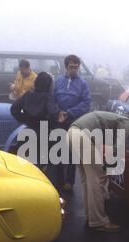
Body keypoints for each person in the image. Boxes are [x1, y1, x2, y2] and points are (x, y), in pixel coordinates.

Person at [67, 111, 129, 232]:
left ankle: (91, 216)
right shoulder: (128, 124)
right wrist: (108, 170)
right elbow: (117, 149)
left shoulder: (117, 120)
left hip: (72, 133)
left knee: (87, 180)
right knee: (97, 180)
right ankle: (99, 222)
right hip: (82, 136)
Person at [50, 54, 91, 192]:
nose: (73, 69)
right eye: (70, 67)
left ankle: (69, 181)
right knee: (57, 150)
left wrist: (70, 113)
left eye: (75, 67)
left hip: (74, 122)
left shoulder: (83, 84)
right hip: (59, 120)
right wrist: (58, 112)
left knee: (72, 152)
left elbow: (86, 103)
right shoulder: (58, 81)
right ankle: (58, 180)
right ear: (66, 67)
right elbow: (52, 99)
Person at [10, 72, 59, 165]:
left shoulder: (28, 94)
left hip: (27, 130)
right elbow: (53, 113)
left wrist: (24, 119)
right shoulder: (48, 97)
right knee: (41, 165)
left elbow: (14, 109)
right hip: (43, 133)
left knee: (24, 163)